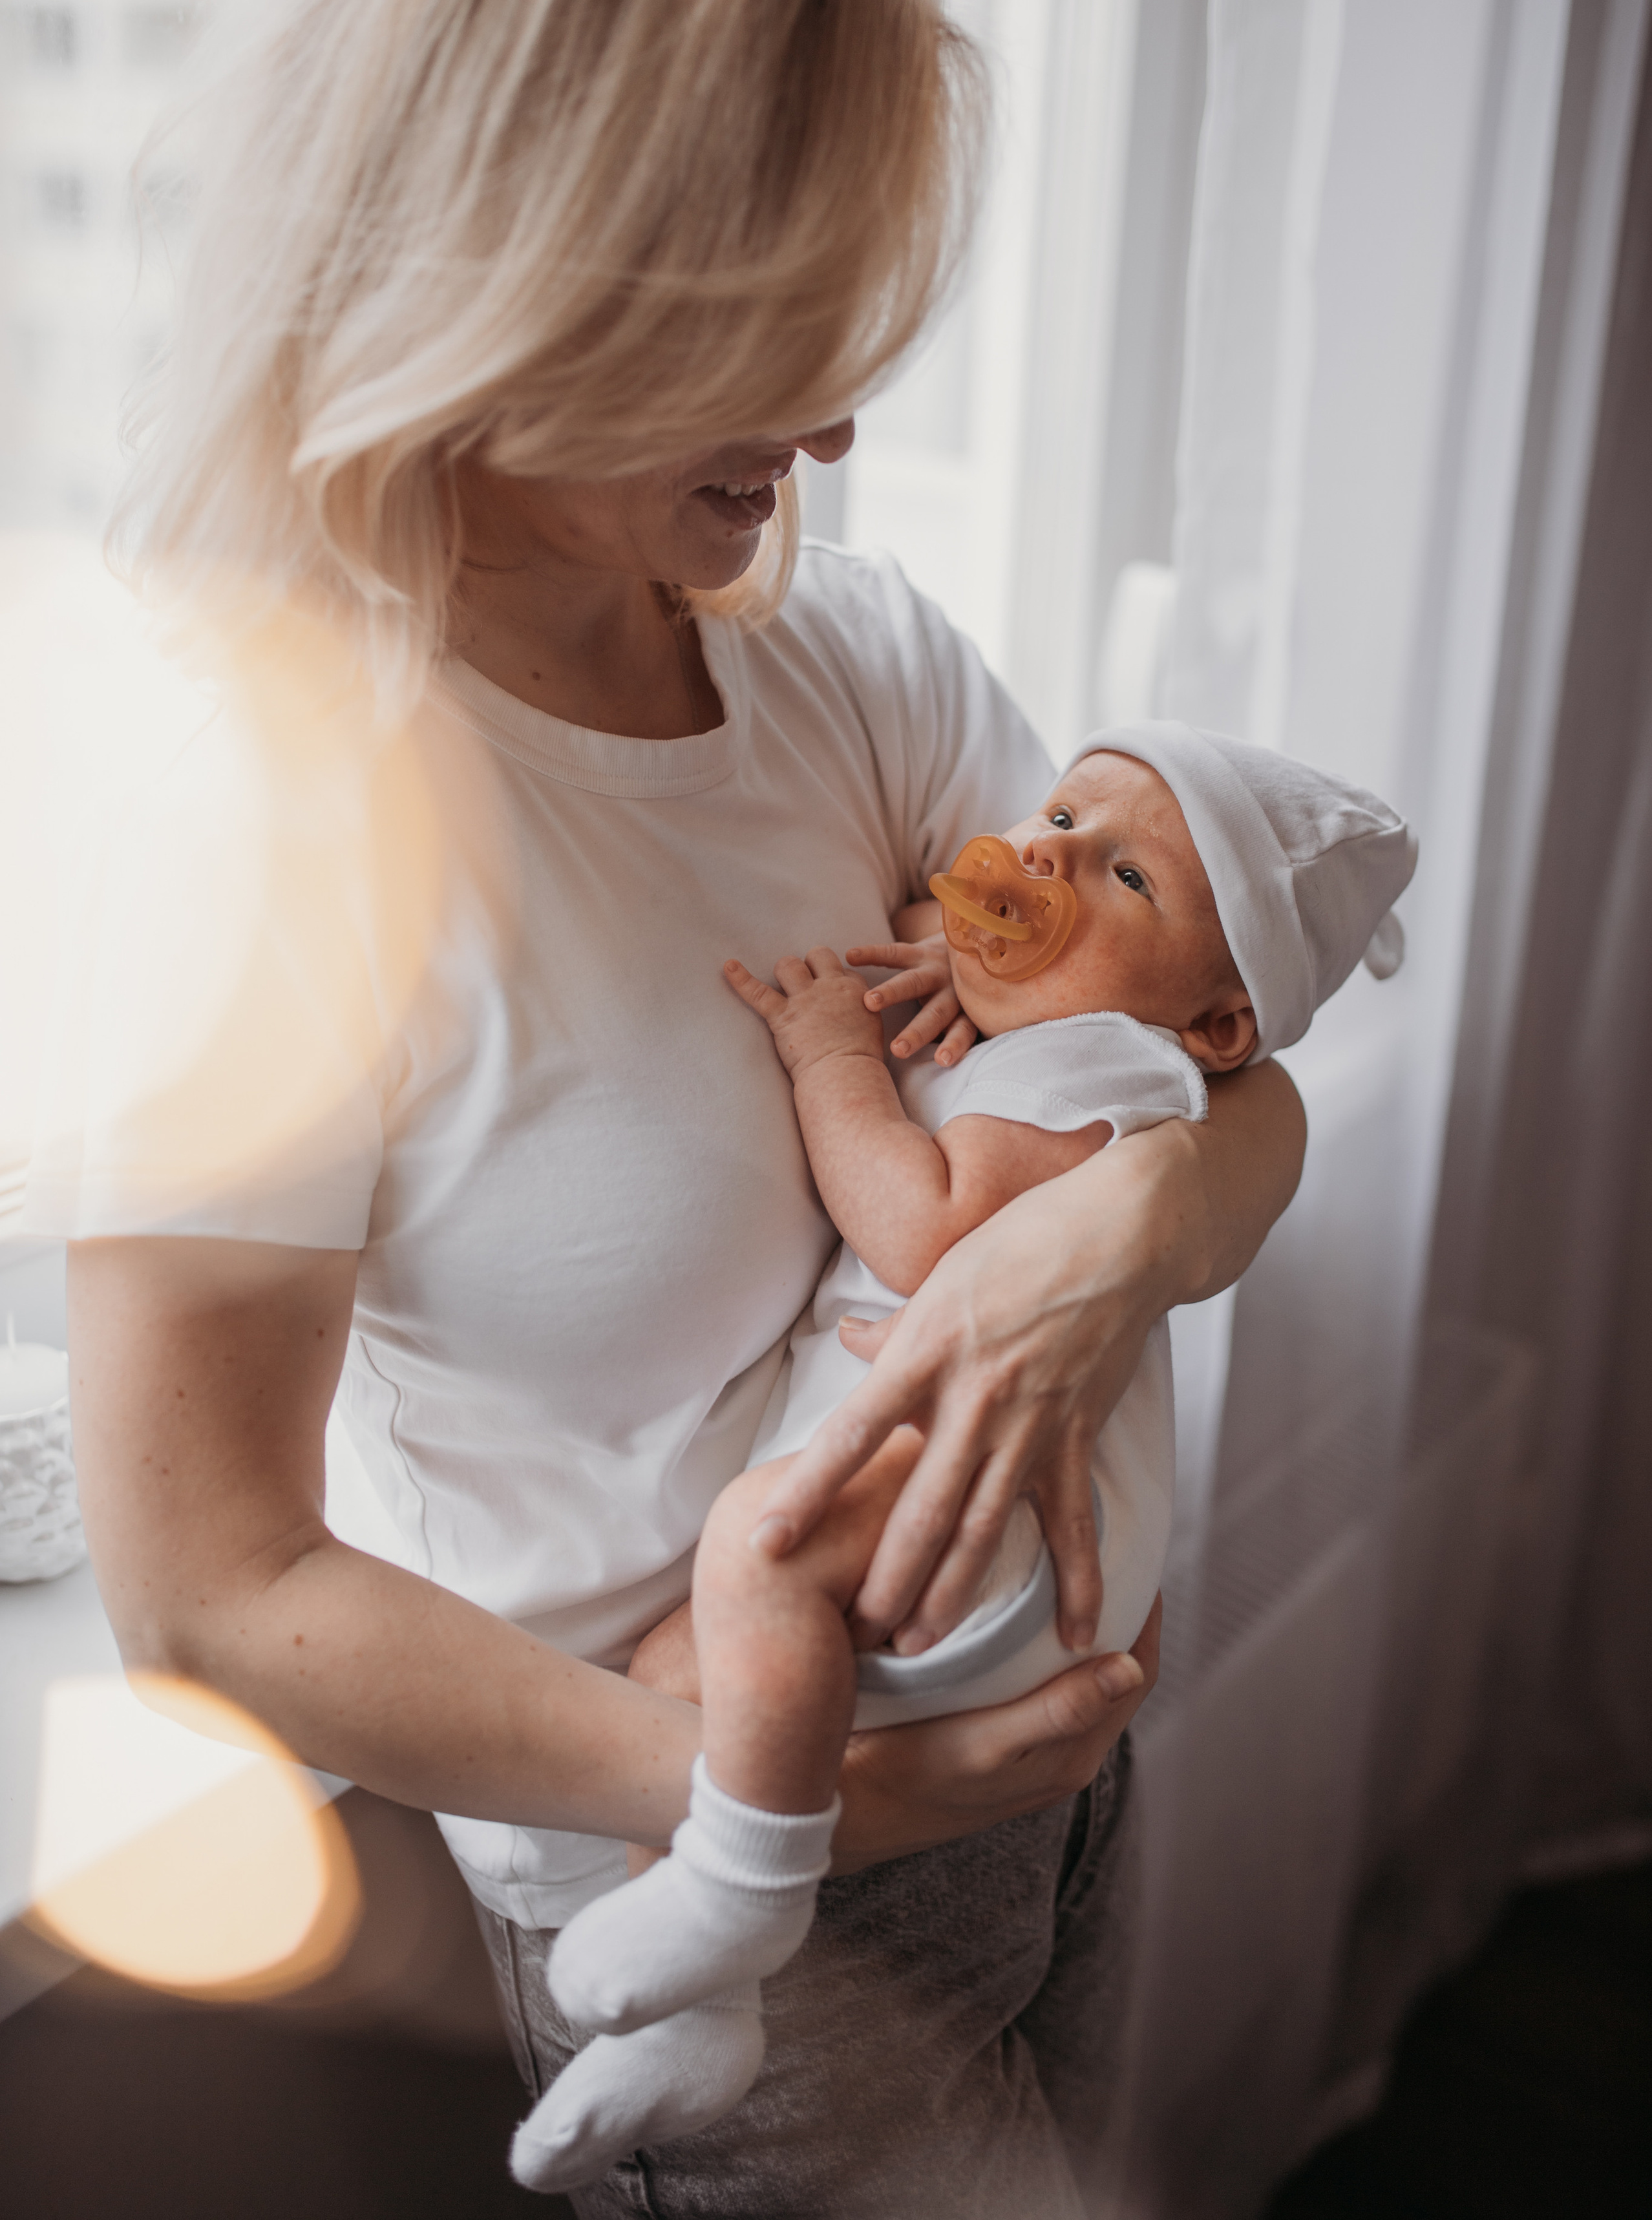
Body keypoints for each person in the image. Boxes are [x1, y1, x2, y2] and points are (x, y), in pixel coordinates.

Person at [35, 0, 1307, 2217]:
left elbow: (1218, 1075)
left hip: (1051, 1788)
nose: (840, 424)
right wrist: (790, 1785)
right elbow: (214, 1585)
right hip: (715, 1910)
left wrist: (1104, 1249)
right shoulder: (273, 838)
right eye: (773, 340)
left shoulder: (853, 659)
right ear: (531, 274)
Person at [514, 726, 1415, 2191]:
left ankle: (741, 1908)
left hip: (970, 1503)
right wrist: (981, 964)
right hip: (985, 1508)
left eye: (1122, 872)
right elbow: (991, 939)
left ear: (1217, 1025)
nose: (1042, 854)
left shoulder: (1095, 1067)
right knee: (678, 1681)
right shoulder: (1077, 1031)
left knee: (758, 1550)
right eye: (1057, 813)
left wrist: (826, 1059)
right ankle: (696, 2011)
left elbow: (925, 1226)